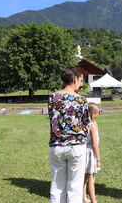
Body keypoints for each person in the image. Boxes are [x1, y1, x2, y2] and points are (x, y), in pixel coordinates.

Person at [48, 66, 89, 203]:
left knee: (57, 186)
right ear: (74, 79)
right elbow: (86, 123)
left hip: (57, 145)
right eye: (80, 80)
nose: (81, 83)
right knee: (75, 188)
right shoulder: (82, 100)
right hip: (76, 145)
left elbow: (52, 118)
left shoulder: (53, 97)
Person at [83, 103, 101, 203]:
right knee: (91, 177)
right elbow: (94, 144)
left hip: (87, 152)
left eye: (99, 111)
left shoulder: (91, 124)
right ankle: (93, 200)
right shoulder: (92, 125)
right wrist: (98, 159)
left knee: (85, 177)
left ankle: (83, 197)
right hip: (90, 153)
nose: (98, 113)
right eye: (96, 112)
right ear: (91, 113)